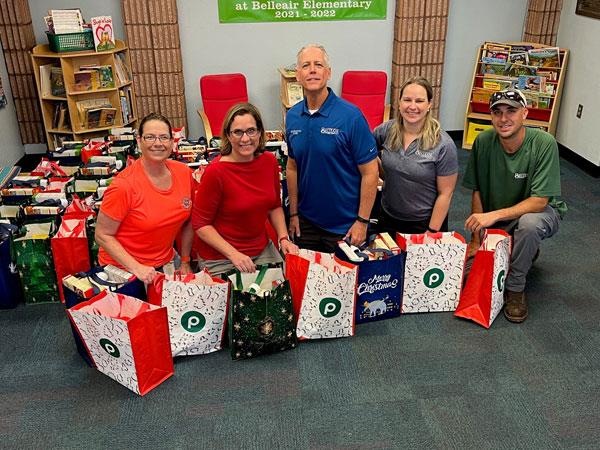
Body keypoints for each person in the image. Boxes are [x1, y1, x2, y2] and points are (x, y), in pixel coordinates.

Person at [463, 88, 566, 323]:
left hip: (540, 212)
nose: (503, 118)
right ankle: (523, 249)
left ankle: (516, 287)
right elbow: (477, 190)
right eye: (497, 112)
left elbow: (540, 201)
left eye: (511, 110)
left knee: (529, 225)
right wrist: (477, 241)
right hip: (500, 215)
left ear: (525, 114)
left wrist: (493, 215)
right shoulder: (484, 141)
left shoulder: (544, 143)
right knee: (467, 281)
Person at [286, 43, 379, 252]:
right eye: (305, 65)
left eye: (318, 65)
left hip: (345, 226)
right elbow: (292, 167)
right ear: (298, 75)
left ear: (328, 73)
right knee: (306, 282)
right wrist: (293, 214)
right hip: (306, 224)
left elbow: (371, 172)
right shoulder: (292, 117)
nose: (312, 70)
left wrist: (362, 222)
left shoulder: (351, 116)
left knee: (341, 284)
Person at [192, 102, 298, 275]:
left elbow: (274, 206)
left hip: (261, 250)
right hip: (220, 257)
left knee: (281, 294)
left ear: (260, 132)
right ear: (227, 135)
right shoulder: (216, 172)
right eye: (238, 132)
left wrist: (283, 238)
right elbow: (200, 224)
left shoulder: (269, 162)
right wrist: (234, 255)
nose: (245, 139)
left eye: (251, 131)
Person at [96, 112, 194, 283]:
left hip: (167, 261)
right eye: (150, 137)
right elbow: (102, 235)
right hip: (124, 269)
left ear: (173, 142)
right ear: (139, 141)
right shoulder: (124, 186)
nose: (158, 143)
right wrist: (137, 268)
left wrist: (185, 260)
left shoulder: (184, 173)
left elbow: (189, 221)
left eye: (164, 137)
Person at [373, 76, 458, 235]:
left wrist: (432, 231)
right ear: (399, 103)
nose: (412, 106)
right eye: (407, 100)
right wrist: (379, 171)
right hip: (387, 216)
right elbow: (364, 152)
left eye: (419, 101)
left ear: (429, 105)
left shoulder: (444, 144)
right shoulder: (386, 130)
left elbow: (446, 194)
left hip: (424, 223)